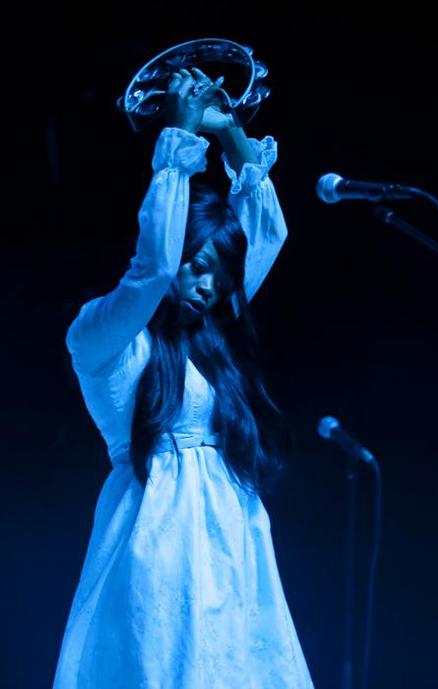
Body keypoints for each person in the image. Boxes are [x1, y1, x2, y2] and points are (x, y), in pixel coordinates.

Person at [53, 66, 315, 688]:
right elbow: (153, 268)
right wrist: (177, 145)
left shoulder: (204, 330)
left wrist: (231, 136)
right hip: (157, 535)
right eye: (199, 267)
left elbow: (268, 236)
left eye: (220, 280)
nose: (207, 287)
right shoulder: (106, 335)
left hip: (230, 531)